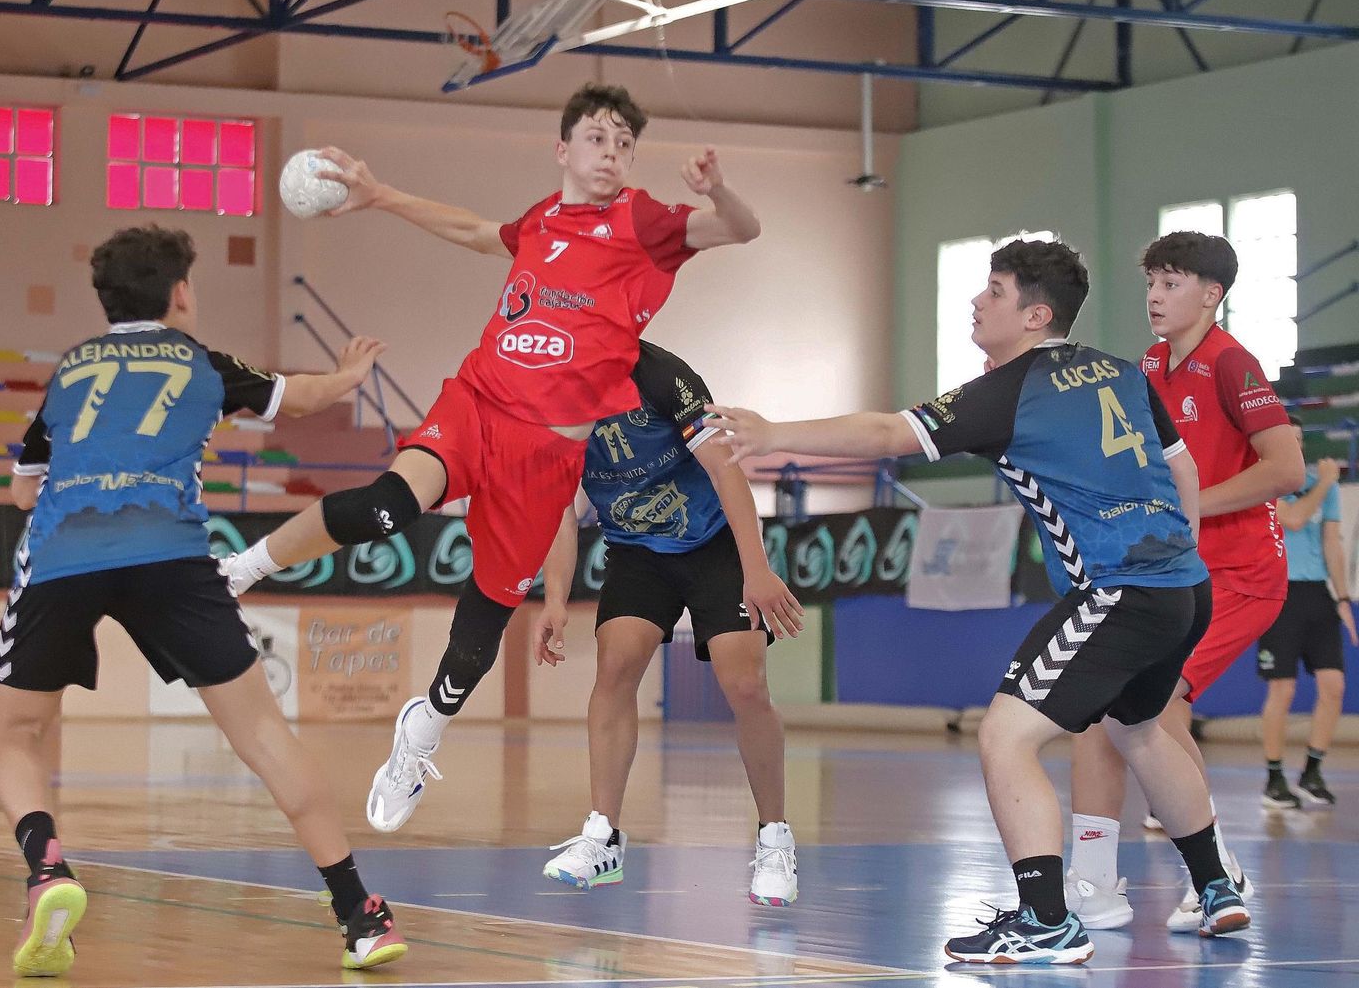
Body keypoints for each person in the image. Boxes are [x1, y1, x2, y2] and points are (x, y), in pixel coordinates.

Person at [225, 84, 762, 833]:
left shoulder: (644, 222)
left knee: (477, 636)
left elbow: (740, 228)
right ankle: (240, 569)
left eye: (624, 144)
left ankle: (423, 729)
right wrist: (381, 196)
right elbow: (476, 231)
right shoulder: (541, 220)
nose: (612, 154)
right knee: (387, 506)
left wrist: (719, 190)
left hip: (546, 454)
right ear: (563, 148)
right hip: (477, 403)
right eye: (598, 138)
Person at [709, 239, 1250, 965]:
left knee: (1004, 736)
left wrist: (775, 433)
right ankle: (1215, 886)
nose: (975, 302)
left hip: (1119, 588)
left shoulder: (1011, 391)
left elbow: (886, 432)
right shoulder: (1123, 372)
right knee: (1141, 729)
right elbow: (1181, 471)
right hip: (1184, 584)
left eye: (993, 291)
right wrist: (1179, 552)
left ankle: (1046, 919)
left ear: (1035, 315)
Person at [0, 225, 405, 976]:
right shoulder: (203, 363)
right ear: (180, 292)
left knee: (16, 734)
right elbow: (300, 397)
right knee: (265, 736)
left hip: (63, 553)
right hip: (171, 556)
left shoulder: (72, 368)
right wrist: (348, 375)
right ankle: (361, 915)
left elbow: (23, 492)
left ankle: (47, 868)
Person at [1065, 231, 1303, 933]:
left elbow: (1287, 469)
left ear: (1211, 294)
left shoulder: (1232, 363)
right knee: (1105, 708)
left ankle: (1217, 872)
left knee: (1157, 706)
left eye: (1171, 283)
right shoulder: (1149, 364)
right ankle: (1094, 881)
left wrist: (1191, 507)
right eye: (1151, 283)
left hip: (1242, 574)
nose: (1155, 296)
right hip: (1177, 572)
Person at [530, 341, 805, 903]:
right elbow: (558, 508)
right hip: (636, 551)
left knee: (745, 684)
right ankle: (603, 837)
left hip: (713, 543)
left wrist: (756, 569)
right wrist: (554, 597)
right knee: (616, 665)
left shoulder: (661, 375)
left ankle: (774, 837)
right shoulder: (549, 393)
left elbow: (725, 470)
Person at [1259, 416, 1353, 807]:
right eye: (1288, 439)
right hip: (1279, 593)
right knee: (1283, 688)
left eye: (1299, 439)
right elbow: (1295, 519)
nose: (1295, 445)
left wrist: (1342, 598)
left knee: (1333, 685)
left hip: (1317, 593)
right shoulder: (1265, 482)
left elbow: (1332, 543)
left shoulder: (1319, 484)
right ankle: (1274, 778)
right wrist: (1327, 482)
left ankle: (1312, 771)